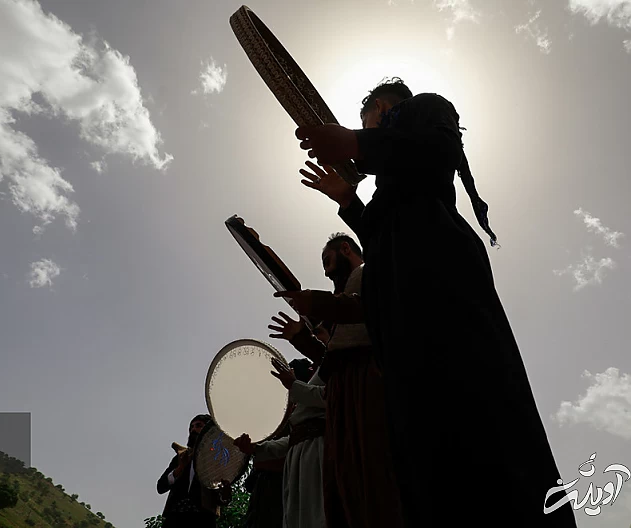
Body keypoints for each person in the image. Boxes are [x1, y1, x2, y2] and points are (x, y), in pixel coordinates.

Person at [283, 77, 577, 526]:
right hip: (406, 339)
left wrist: (354, 142)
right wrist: (348, 200)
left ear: (381, 108)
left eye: (365, 120)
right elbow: (387, 239)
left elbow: (433, 152)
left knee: (487, 433)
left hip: (446, 306)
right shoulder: (395, 191)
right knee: (428, 466)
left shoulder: (427, 108)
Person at [271, 233, 405, 528]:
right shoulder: (344, 301)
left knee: (371, 483)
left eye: (327, 261)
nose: (326, 270)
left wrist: (314, 303)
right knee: (347, 491)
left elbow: (354, 327)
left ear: (346, 248)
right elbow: (330, 359)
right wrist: (302, 338)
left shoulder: (367, 274)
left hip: (366, 384)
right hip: (346, 394)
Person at [234, 353, 327, 528]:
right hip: (294, 470)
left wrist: (293, 385)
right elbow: (293, 439)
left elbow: (329, 397)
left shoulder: (334, 370)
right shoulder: (296, 413)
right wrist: (257, 448)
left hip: (319, 457)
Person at [157, 414, 230, 528]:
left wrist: (225, 493)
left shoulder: (216, 459)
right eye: (191, 427)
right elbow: (161, 487)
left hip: (203, 520)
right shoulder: (180, 458)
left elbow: (222, 498)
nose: (193, 430)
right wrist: (180, 468)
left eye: (198, 426)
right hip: (175, 519)